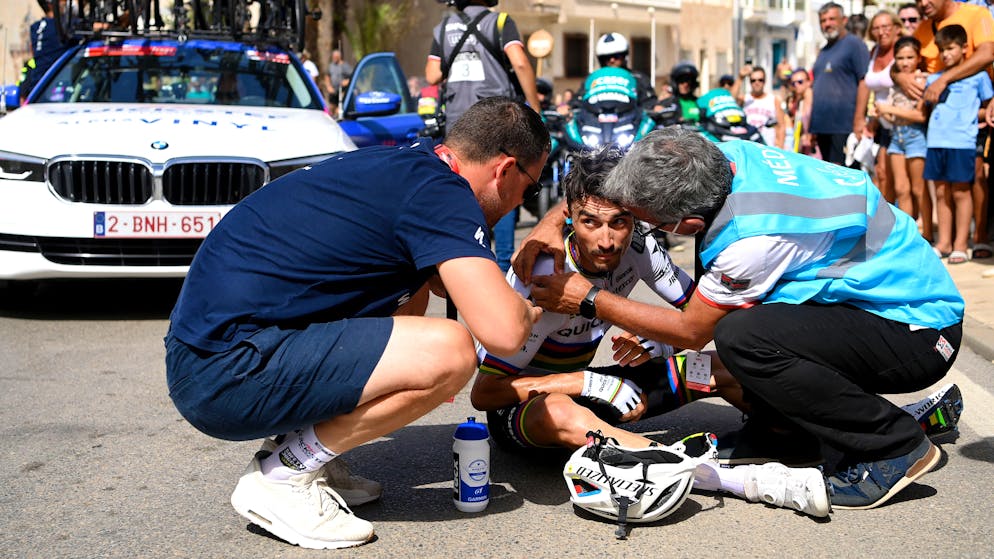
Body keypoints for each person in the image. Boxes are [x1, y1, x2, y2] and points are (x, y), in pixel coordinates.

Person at [164, 97, 550, 549]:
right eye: (530, 189)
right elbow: (504, 333)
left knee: (411, 296)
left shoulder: (412, 165)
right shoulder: (444, 193)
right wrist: (524, 307)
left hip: (211, 352)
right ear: (505, 170)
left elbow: (432, 288)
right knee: (450, 350)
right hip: (224, 373)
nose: (522, 202)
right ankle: (285, 472)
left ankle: (296, 450)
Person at [514, 126, 964, 511]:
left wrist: (589, 298)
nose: (617, 235)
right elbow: (599, 180)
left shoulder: (750, 242)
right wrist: (549, 225)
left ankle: (895, 444)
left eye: (638, 221)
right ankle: (785, 432)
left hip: (917, 333)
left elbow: (692, 330)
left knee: (742, 337)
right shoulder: (712, 158)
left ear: (686, 225)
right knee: (740, 341)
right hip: (881, 301)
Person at [474, 147, 831, 518]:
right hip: (525, 412)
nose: (606, 241)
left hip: (600, 393)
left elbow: (703, 317)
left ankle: (804, 436)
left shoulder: (639, 246)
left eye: (619, 222)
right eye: (590, 222)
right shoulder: (544, 277)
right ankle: (732, 479)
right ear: (570, 218)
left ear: (635, 217)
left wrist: (661, 342)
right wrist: (587, 382)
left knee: (722, 366)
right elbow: (485, 394)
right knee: (560, 410)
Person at [425, 0, 542, 272]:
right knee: (503, 186)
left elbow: (432, 74)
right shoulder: (500, 22)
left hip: (459, 124)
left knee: (462, 187)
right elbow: (520, 63)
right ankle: (503, 266)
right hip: (497, 119)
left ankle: (468, 259)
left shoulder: (444, 27)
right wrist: (535, 108)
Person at [924, 24, 993, 264]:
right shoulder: (933, 79)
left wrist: (974, 115)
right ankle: (944, 242)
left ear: (964, 48)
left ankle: (961, 244)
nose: (945, 54)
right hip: (935, 141)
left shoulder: (979, 77)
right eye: (941, 50)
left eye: (950, 48)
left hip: (962, 142)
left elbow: (988, 108)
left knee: (961, 192)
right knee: (941, 192)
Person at [875, 36, 932, 241]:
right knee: (901, 189)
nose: (905, 62)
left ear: (918, 58)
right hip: (896, 136)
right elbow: (893, 115)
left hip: (915, 136)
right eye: (900, 58)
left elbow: (920, 116)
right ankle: (908, 235)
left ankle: (928, 233)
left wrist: (889, 109)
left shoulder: (923, 80)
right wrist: (882, 113)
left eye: (909, 57)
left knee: (919, 188)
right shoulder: (896, 83)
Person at [810, 2, 871, 166]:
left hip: (844, 126)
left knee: (843, 174)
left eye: (832, 19)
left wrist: (859, 119)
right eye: (823, 21)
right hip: (823, 126)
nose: (827, 24)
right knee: (828, 174)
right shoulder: (824, 50)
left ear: (844, 20)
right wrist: (813, 127)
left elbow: (864, 81)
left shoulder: (854, 44)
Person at [865, 11, 902, 202]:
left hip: (900, 122)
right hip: (881, 123)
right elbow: (867, 87)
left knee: (899, 182)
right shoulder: (874, 52)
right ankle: (885, 216)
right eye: (876, 28)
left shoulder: (903, 50)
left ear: (897, 28)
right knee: (881, 173)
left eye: (886, 27)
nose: (881, 32)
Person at [574, 33, 660, 113]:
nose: (612, 60)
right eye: (607, 57)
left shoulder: (638, 78)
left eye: (617, 56)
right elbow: (579, 100)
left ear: (625, 56)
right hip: (595, 121)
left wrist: (655, 108)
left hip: (630, 121)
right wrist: (570, 107)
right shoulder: (592, 79)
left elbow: (649, 101)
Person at [21, 0, 75, 103]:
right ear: (52, 4)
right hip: (57, 92)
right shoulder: (64, 27)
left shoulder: (35, 27)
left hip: (37, 90)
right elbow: (92, 29)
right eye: (62, 0)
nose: (65, 3)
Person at [737, 66, 786, 148]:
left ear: (765, 81)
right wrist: (740, 78)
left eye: (760, 80)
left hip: (767, 147)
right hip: (748, 146)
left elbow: (781, 126)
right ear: (749, 82)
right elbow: (731, 98)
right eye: (753, 80)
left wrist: (781, 148)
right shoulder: (745, 99)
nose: (757, 83)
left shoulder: (774, 100)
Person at [784, 68, 815, 154]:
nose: (796, 85)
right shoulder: (799, 101)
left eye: (800, 82)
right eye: (793, 83)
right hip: (802, 149)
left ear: (809, 82)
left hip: (814, 148)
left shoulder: (814, 99)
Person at [322, 49, 352, 117]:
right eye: (333, 57)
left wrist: (346, 82)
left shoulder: (345, 66)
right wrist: (328, 86)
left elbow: (352, 76)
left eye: (336, 57)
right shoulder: (331, 66)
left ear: (339, 57)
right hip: (333, 90)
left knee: (339, 109)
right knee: (331, 108)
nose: (334, 58)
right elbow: (327, 76)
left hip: (342, 90)